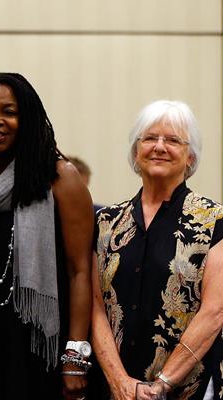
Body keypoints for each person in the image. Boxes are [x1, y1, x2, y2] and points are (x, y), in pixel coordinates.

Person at [0, 72, 94, 399]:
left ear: (28, 119)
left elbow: (81, 272)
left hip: (42, 351)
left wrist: (75, 359)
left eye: (9, 111)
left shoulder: (59, 177)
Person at [91, 100, 223, 399]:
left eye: (173, 140)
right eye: (149, 138)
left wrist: (161, 384)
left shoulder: (214, 220)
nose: (159, 147)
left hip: (186, 388)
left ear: (191, 157)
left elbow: (215, 312)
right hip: (114, 388)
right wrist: (120, 382)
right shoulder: (107, 222)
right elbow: (95, 307)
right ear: (136, 151)